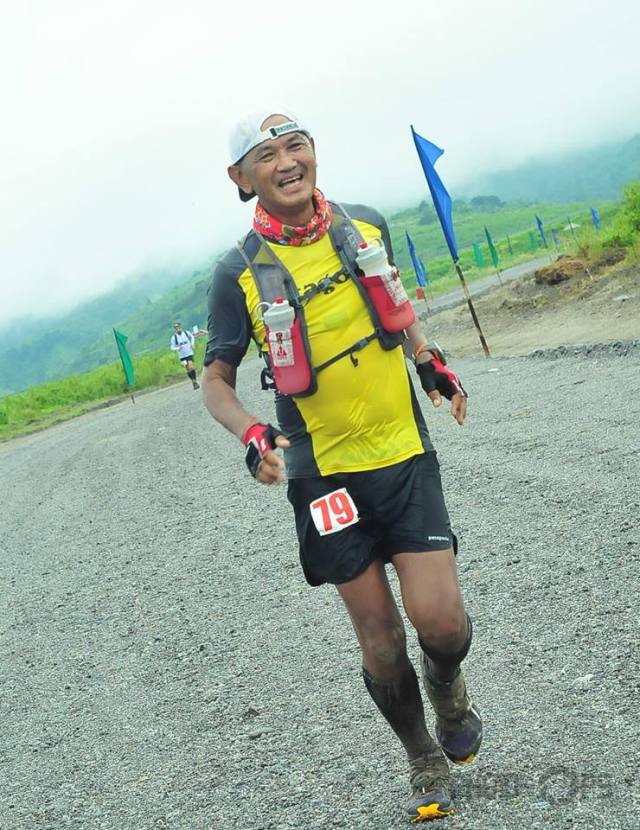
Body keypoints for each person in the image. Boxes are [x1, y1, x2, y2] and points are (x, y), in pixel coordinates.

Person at [201, 107, 482, 822]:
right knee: (382, 642)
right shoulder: (238, 271)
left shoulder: (364, 225)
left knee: (441, 626)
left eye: (297, 145)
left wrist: (429, 363)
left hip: (404, 453)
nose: (287, 161)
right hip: (323, 475)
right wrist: (254, 438)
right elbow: (216, 381)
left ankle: (447, 683)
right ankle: (422, 756)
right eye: (268, 154)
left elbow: (395, 302)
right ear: (241, 178)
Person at [170, 322, 199, 390]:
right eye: (176, 328)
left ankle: (195, 381)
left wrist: (192, 344)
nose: (178, 329)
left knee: (191, 366)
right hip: (182, 356)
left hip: (189, 353)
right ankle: (193, 381)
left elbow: (192, 337)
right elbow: (172, 347)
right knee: (188, 369)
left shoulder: (186, 333)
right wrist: (178, 348)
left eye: (179, 328)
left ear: (181, 327)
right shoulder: (174, 338)